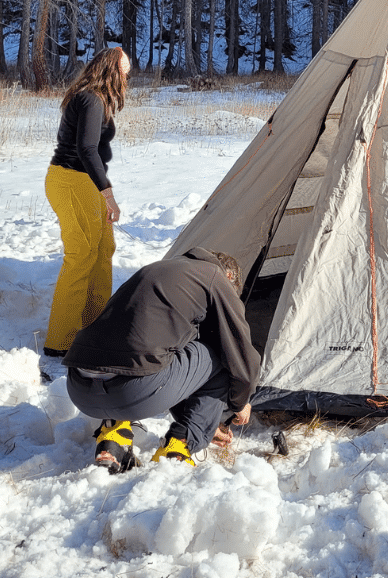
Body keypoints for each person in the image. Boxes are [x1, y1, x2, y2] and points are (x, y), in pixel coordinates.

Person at [64, 247, 262, 471]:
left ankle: (113, 434)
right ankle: (180, 445)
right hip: (131, 392)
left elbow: (174, 367)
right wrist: (239, 402)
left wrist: (206, 419)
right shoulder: (214, 277)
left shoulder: (159, 271)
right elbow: (240, 356)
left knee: (142, 351)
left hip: (79, 388)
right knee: (220, 354)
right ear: (229, 278)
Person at [43, 46, 131, 359]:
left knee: (103, 249)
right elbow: (87, 150)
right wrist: (108, 194)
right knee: (80, 254)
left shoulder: (95, 99)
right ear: (112, 70)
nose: (127, 77)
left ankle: (94, 325)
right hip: (70, 180)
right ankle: (60, 341)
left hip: (86, 183)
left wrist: (100, 190)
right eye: (125, 71)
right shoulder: (91, 99)